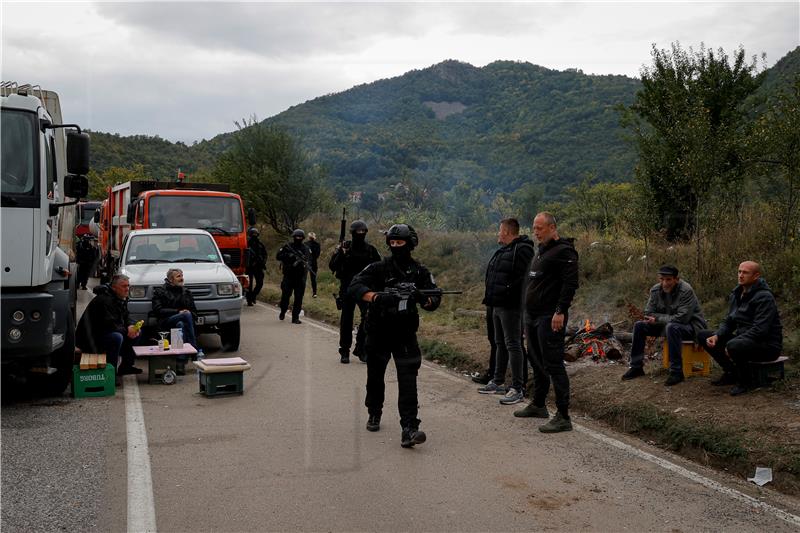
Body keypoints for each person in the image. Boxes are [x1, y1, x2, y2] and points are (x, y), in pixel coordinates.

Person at [348, 224, 441, 448]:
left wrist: (421, 298)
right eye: (393, 243)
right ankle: (374, 411)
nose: (396, 247)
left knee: (408, 379)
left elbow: (434, 299)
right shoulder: (378, 267)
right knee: (375, 375)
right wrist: (376, 298)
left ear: (410, 244)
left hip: (405, 332)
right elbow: (355, 286)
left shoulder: (420, 271)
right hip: (379, 330)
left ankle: (409, 427)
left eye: (401, 243)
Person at [514, 212, 579, 433]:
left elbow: (570, 284)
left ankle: (563, 416)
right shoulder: (541, 251)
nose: (535, 232)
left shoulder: (565, 251)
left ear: (552, 228)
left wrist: (560, 311)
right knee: (536, 360)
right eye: (534, 228)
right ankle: (539, 404)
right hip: (532, 316)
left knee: (553, 363)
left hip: (549, 316)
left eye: (539, 228)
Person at [698, 261, 783, 396]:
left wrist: (734, 342)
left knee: (734, 345)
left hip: (767, 345)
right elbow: (729, 321)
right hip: (744, 340)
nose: (741, 275)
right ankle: (731, 372)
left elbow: (760, 330)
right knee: (703, 335)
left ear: (756, 276)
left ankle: (745, 382)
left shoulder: (764, 297)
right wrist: (717, 335)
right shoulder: (737, 293)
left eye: (745, 272)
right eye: (739, 272)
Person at [477, 218, 535, 406]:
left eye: (500, 230)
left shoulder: (523, 249)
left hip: (511, 306)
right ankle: (498, 380)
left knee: (513, 344)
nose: (498, 234)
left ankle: (518, 387)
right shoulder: (505, 250)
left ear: (508, 232)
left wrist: (515, 298)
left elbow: (525, 279)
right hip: (496, 304)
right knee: (499, 343)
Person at [622, 265, 707, 386]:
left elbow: (682, 318)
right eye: (662, 279)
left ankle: (676, 372)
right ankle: (636, 367)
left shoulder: (686, 290)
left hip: (691, 327)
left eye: (668, 280)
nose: (664, 283)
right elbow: (648, 313)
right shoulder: (655, 290)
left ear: (676, 279)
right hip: (668, 325)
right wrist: (659, 319)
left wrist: (658, 318)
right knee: (640, 325)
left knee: (672, 326)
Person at [329, 220, 381, 363]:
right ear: (352, 233)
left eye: (363, 232)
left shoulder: (371, 250)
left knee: (368, 317)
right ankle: (344, 351)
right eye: (358, 232)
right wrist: (341, 253)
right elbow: (332, 266)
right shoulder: (345, 248)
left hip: (364, 289)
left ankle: (361, 348)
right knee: (346, 320)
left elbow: (380, 268)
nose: (361, 234)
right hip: (346, 288)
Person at [76, 274, 142, 383]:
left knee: (137, 332)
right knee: (117, 337)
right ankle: (111, 372)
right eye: (124, 286)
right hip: (91, 339)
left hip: (104, 333)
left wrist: (131, 325)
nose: (127, 289)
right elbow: (109, 324)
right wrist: (127, 330)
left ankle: (126, 366)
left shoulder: (119, 297)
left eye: (128, 286)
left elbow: (126, 316)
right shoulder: (105, 300)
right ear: (114, 287)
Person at [151, 268, 202, 375]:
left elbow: (195, 313)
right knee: (185, 315)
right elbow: (158, 310)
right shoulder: (160, 291)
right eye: (178, 276)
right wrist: (178, 312)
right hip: (166, 321)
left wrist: (185, 314)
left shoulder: (186, 292)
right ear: (170, 279)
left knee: (181, 324)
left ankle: (180, 363)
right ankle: (193, 348)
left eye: (182, 275)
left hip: (183, 322)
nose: (181, 278)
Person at [276, 229, 311, 324]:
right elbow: (278, 256)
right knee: (285, 297)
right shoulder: (287, 247)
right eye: (296, 237)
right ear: (293, 237)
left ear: (303, 238)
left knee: (299, 298)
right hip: (288, 276)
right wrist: (289, 256)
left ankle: (295, 317)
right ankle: (283, 311)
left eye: (300, 237)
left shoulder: (306, 248)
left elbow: (308, 260)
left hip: (300, 278)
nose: (298, 238)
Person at [246, 227, 267, 306]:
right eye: (253, 234)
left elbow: (265, 254)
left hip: (258, 266)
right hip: (250, 267)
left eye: (256, 234)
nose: (254, 235)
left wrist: (263, 262)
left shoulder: (260, 244)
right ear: (250, 235)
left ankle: (253, 295)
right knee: (249, 284)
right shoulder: (247, 244)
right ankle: (249, 300)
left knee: (260, 283)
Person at [307, 232, 321, 298]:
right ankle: (314, 293)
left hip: (307, 262)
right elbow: (317, 255)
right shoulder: (317, 244)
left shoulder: (305, 244)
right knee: (313, 278)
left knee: (302, 277)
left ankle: (314, 292)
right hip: (313, 263)